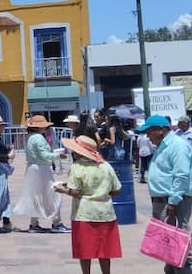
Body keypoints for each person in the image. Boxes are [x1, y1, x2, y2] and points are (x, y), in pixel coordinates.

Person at [138, 114, 192, 274]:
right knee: (167, 244)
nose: (147, 137)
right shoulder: (163, 146)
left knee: (178, 242)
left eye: (149, 132)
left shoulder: (177, 146)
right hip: (162, 200)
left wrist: (173, 201)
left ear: (160, 130)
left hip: (174, 201)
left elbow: (181, 175)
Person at [55, 135, 121, 274]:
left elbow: (75, 191)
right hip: (105, 213)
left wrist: (63, 189)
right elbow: (116, 190)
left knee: (85, 251)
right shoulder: (105, 165)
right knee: (105, 252)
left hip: (84, 213)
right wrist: (101, 193)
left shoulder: (77, 167)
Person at [13, 115, 70, 233]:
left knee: (36, 196)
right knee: (55, 194)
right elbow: (44, 155)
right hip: (41, 168)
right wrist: (58, 155)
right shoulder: (38, 138)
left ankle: (34, 224)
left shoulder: (30, 137)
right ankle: (56, 222)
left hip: (33, 168)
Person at [176, 116, 192, 186]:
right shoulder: (177, 132)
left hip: (191, 159)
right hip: (178, 158)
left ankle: (191, 193)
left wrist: (189, 156)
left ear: (185, 124)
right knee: (180, 176)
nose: (178, 125)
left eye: (179, 123)